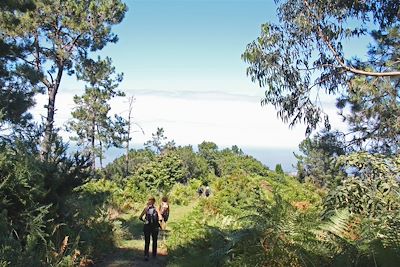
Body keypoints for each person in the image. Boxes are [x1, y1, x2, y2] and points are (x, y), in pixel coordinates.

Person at [139, 196, 162, 261]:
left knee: (147, 241)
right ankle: (154, 255)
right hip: (155, 227)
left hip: (147, 226)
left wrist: (145, 221)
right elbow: (160, 217)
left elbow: (140, 217)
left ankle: (146, 255)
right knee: (154, 241)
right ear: (154, 202)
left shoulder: (146, 208)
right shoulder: (156, 208)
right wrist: (160, 224)